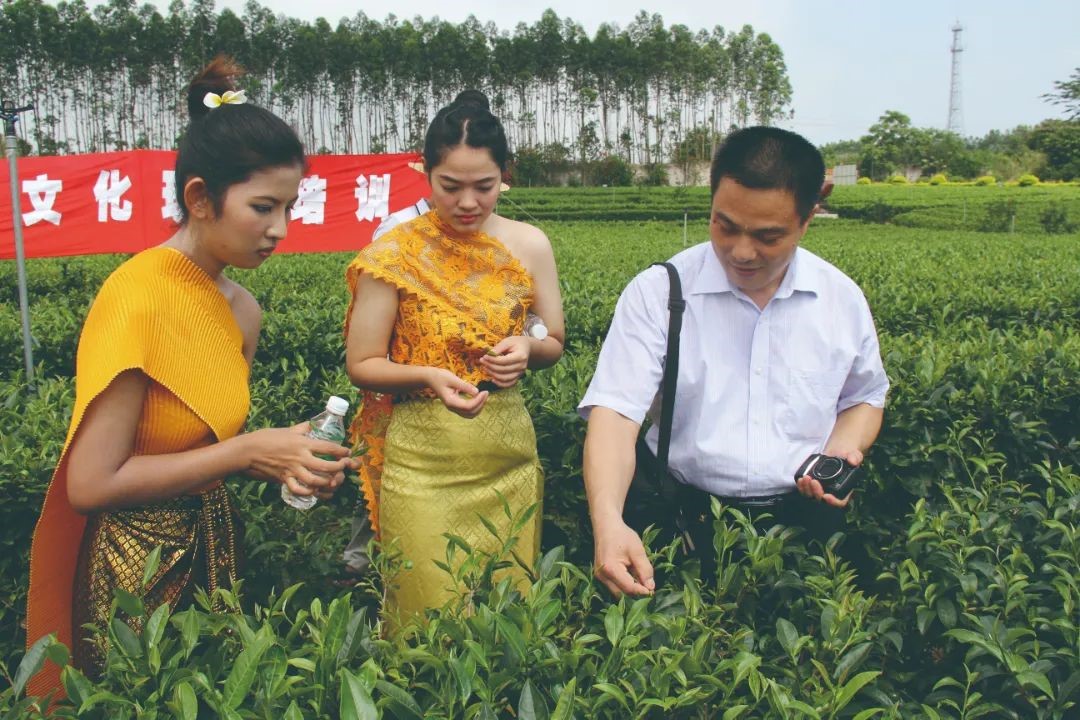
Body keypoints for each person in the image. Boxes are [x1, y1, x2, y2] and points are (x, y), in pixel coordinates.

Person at [25, 56, 356, 692]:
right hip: (132, 568)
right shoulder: (138, 296)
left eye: (289, 207)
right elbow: (91, 484)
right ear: (199, 198)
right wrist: (245, 452)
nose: (280, 230)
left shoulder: (241, 308)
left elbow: (210, 447)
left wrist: (283, 454)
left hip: (211, 545)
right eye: (262, 207)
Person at [579, 126, 889, 597]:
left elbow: (864, 396)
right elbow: (616, 414)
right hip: (681, 522)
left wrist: (839, 454)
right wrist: (608, 522)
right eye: (725, 225)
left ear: (807, 219)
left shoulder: (840, 299)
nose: (742, 252)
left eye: (768, 236)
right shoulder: (660, 291)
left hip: (802, 529)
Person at [344, 91, 564, 623]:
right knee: (423, 616)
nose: (468, 202)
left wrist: (528, 350)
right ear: (426, 174)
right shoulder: (395, 250)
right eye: (451, 186)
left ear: (504, 175)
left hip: (506, 452)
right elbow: (362, 362)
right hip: (421, 459)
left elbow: (554, 339)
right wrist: (428, 375)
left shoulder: (530, 244)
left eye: (483, 186)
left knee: (504, 618)